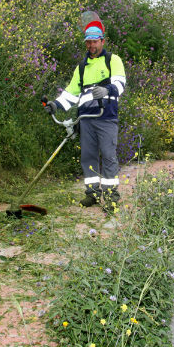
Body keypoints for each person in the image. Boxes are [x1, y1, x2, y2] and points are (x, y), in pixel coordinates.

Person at [45, 15, 126, 212]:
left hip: (106, 117)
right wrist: (55, 105)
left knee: (108, 156)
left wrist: (108, 90)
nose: (91, 45)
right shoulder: (81, 68)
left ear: (102, 41)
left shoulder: (112, 60)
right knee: (88, 157)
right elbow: (71, 94)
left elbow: (119, 84)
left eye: (95, 42)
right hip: (86, 120)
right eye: (88, 42)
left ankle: (111, 197)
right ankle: (92, 194)